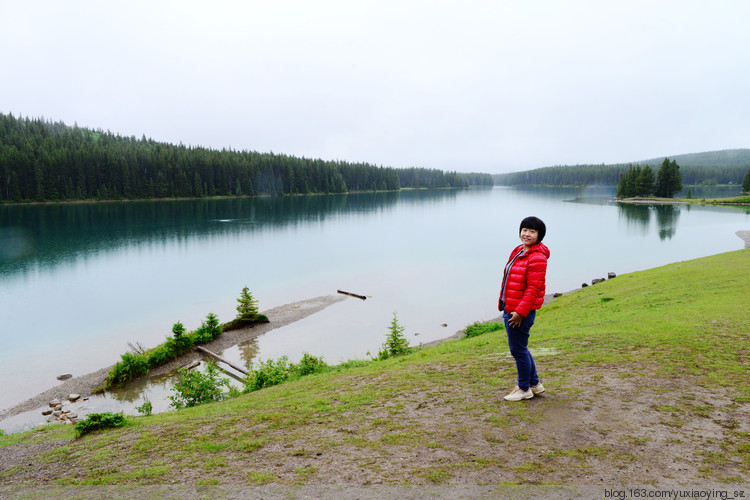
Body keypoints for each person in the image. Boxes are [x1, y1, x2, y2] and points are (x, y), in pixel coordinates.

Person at [498, 216, 550, 401]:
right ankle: (534, 384)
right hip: (511, 306)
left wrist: (520, 312)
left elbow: (533, 288)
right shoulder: (519, 250)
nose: (527, 234)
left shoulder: (537, 257)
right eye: (525, 230)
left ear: (539, 235)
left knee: (518, 350)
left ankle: (523, 388)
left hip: (519, 312)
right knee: (522, 348)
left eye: (532, 231)